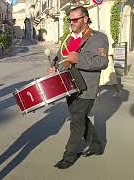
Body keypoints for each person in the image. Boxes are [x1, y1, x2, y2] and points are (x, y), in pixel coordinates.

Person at [49, 6, 108, 169]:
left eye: (75, 19)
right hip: (69, 86)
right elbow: (60, 57)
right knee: (79, 118)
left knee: (76, 122)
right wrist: (55, 66)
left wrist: (79, 59)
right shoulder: (68, 38)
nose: (72, 22)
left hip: (86, 88)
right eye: (70, 19)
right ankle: (96, 146)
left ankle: (68, 156)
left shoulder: (98, 38)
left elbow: (102, 62)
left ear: (85, 19)